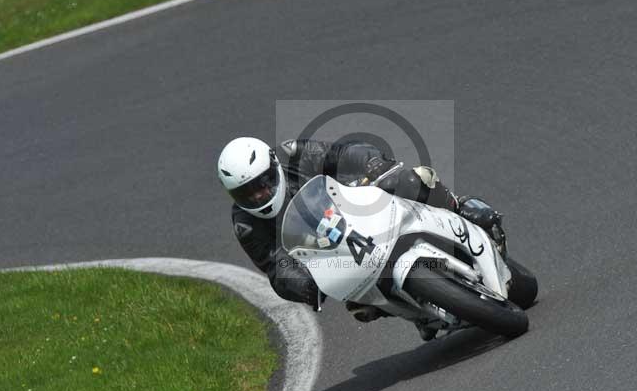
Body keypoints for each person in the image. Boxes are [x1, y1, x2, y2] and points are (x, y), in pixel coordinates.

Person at [217, 136, 506, 322]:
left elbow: (342, 155)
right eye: (247, 193)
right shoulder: (246, 224)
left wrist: (372, 166)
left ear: (274, 165)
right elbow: (274, 265)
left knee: (408, 180)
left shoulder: (295, 155)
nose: (258, 196)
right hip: (332, 253)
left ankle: (457, 206)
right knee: (361, 307)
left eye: (262, 183)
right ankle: (418, 312)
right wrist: (303, 284)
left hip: (356, 207)